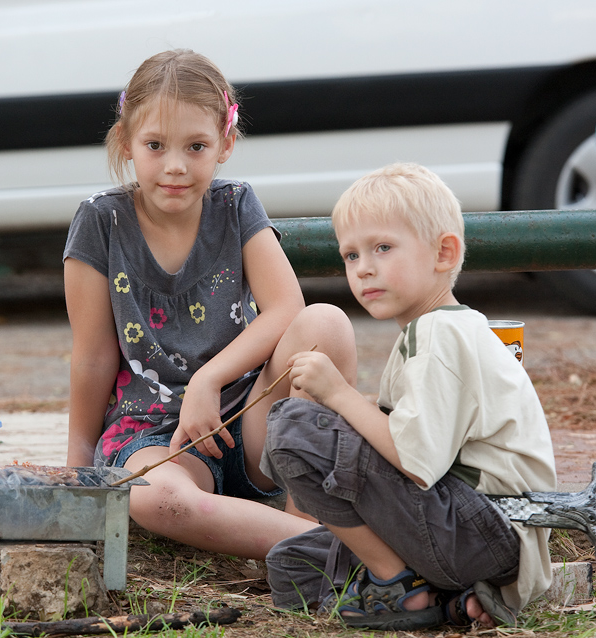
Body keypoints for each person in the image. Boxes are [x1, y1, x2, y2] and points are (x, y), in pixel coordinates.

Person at [63, 49, 357, 559]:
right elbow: (92, 357)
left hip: (248, 420)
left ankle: (302, 513)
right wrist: (76, 471)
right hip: (156, 438)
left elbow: (287, 308)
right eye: (156, 145)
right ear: (127, 142)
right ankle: (315, 551)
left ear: (225, 143)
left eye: (195, 146)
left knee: (325, 324)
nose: (175, 166)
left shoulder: (235, 204)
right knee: (153, 497)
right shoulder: (100, 223)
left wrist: (208, 379)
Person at [260, 162, 557, 631]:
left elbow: (415, 461)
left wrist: (338, 394)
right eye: (351, 255)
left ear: (443, 253)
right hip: (464, 528)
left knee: (293, 425)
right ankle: (450, 602)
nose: (365, 268)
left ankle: (398, 586)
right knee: (292, 563)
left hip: (486, 526)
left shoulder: (441, 335)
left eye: (382, 247)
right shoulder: (429, 331)